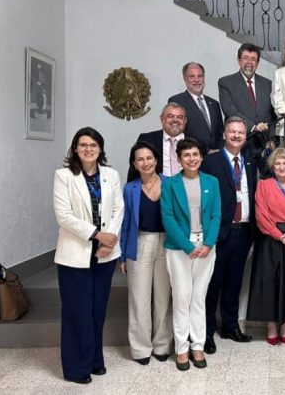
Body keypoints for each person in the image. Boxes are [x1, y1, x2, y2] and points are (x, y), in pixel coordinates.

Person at [53, 127, 124, 384]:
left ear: (100, 148)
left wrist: (109, 240)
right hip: (75, 254)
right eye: (83, 144)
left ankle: (95, 360)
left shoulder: (111, 175)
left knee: (97, 311)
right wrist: (97, 234)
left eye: (93, 144)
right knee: (76, 311)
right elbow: (64, 216)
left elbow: (119, 208)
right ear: (75, 148)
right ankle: (76, 368)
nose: (88, 149)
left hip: (105, 253)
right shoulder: (64, 176)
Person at [160, 138, 221, 371]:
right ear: (179, 159)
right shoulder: (170, 184)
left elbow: (216, 215)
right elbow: (168, 217)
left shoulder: (212, 182)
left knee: (198, 297)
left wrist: (208, 243)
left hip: (205, 246)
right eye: (186, 155)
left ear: (201, 157)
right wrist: (187, 246)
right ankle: (182, 348)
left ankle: (198, 345)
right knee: (182, 297)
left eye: (195, 154)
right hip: (179, 247)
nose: (192, 159)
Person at [199, 117, 258, 354]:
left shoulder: (250, 162)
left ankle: (230, 327)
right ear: (224, 134)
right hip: (219, 232)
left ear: (246, 136)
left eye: (240, 132)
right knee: (212, 284)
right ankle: (205, 333)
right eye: (232, 132)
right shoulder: (211, 161)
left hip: (243, 232)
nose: (236, 136)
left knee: (234, 283)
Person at [247, 148, 285, 345]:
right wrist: (279, 235)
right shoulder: (263, 185)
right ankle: (272, 325)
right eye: (277, 164)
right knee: (269, 282)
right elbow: (261, 216)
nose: (281, 167)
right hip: (270, 239)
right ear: (272, 167)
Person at [119, 141, 172, 365]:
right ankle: (141, 348)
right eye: (140, 159)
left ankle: (162, 344)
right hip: (139, 242)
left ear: (156, 160)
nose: (146, 162)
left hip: (167, 244)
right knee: (139, 299)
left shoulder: (171, 184)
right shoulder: (129, 188)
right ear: (134, 163)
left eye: (149, 158)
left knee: (163, 298)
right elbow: (125, 222)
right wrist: (123, 255)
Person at [218, 43, 275, 175]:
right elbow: (229, 110)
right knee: (243, 183)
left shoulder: (267, 84)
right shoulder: (226, 82)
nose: (249, 62)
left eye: (253, 59)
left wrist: (272, 139)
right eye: (245, 58)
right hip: (240, 143)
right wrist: (253, 127)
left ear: (258, 62)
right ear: (238, 60)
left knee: (269, 182)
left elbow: (273, 114)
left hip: (264, 144)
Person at [168, 62, 224, 152]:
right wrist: (206, 150)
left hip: (216, 158)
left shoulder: (214, 104)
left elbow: (221, 133)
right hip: (192, 157)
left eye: (200, 76)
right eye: (192, 76)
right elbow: (177, 134)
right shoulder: (177, 101)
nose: (197, 80)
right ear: (185, 79)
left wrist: (220, 151)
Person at [128, 102, 187, 182]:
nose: (175, 120)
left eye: (180, 117)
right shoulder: (147, 139)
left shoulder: (196, 142)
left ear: (185, 121)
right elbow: (135, 170)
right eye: (170, 116)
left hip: (187, 190)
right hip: (156, 190)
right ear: (162, 119)